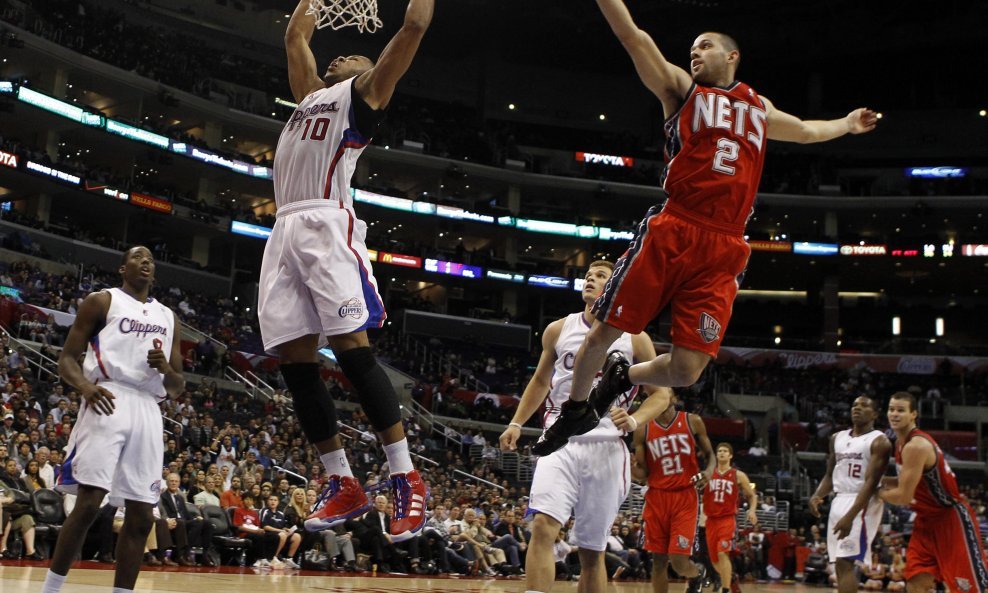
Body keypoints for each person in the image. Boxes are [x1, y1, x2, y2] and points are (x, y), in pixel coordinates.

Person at [537, 0, 879, 453]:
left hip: (726, 244)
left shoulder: (758, 106)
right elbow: (633, 37)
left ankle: (625, 375)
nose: (695, 53)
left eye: (705, 46)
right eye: (692, 47)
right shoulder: (681, 89)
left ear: (732, 56)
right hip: (677, 224)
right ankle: (574, 410)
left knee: (686, 371)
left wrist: (847, 125)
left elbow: (806, 131)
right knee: (605, 331)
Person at [256, 0, 434, 541]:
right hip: (284, 229)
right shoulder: (310, 97)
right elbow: (295, 36)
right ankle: (342, 483)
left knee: (353, 351)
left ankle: (406, 477)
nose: (345, 55)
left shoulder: (366, 96)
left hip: (325, 224)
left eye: (358, 54)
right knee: (296, 361)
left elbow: (415, 24)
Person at [499, 260, 670, 593]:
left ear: (614, 287)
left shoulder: (635, 339)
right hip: (559, 441)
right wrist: (516, 422)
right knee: (543, 527)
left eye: (601, 276)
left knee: (593, 553)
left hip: (606, 448)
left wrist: (635, 419)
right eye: (588, 275)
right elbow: (539, 381)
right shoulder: (557, 329)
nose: (591, 279)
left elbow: (661, 396)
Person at [38, 245, 184, 593]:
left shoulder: (168, 316)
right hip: (108, 396)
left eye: (150, 258)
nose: (145, 262)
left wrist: (165, 368)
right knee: (89, 503)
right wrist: (86, 388)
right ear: (122, 268)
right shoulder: (102, 301)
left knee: (142, 515)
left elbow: (177, 386)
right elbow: (67, 360)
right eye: (137, 257)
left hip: (149, 407)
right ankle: (51, 588)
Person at [878, 392, 988, 593]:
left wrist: (872, 491)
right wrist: (876, 480)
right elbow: (905, 481)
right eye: (891, 409)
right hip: (926, 520)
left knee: (969, 588)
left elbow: (903, 495)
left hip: (950, 518)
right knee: (915, 582)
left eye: (901, 410)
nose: (894, 414)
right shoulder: (900, 444)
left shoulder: (916, 446)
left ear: (913, 415)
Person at [633, 392, 715, 593]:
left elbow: (710, 455)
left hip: (685, 496)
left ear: (674, 398)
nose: (659, 394)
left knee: (678, 561)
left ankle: (697, 573)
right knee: (658, 561)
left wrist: (709, 472)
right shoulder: (642, 428)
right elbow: (643, 474)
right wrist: (628, 467)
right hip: (656, 497)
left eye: (665, 390)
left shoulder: (692, 421)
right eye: (654, 392)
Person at [809, 396, 891, 593]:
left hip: (861, 501)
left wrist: (850, 516)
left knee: (845, 563)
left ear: (875, 414)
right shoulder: (837, 438)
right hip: (839, 499)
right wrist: (817, 495)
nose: (857, 408)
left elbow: (871, 483)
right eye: (855, 405)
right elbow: (830, 475)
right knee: (838, 564)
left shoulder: (880, 441)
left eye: (864, 405)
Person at [702, 443, 758, 593]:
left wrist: (752, 511)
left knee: (722, 553)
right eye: (719, 451)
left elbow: (752, 496)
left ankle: (725, 589)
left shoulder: (738, 475)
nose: (721, 453)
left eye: (725, 451)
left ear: (730, 455)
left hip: (727, 519)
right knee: (714, 561)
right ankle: (731, 579)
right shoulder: (708, 474)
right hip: (710, 520)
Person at [160, 472, 216, 567]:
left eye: (176, 481)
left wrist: (195, 517)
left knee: (206, 522)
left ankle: (205, 555)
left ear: (179, 483)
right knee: (196, 523)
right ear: (167, 483)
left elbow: (185, 513)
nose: (174, 483)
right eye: (171, 481)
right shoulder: (163, 497)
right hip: (174, 521)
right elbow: (164, 513)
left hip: (184, 521)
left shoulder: (180, 497)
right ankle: (185, 552)